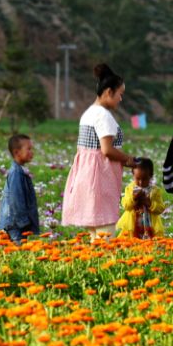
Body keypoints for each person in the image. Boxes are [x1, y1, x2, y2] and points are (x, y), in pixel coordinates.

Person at [61, 63, 138, 236]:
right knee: (106, 232)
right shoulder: (104, 116)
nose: (121, 99)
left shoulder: (89, 113)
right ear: (109, 92)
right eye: (120, 94)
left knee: (94, 234)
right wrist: (129, 159)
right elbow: (107, 150)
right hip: (100, 179)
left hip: (86, 177)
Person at [0, 134, 40, 244]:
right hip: (15, 226)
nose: (32, 152)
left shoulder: (20, 171)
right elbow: (16, 200)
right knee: (16, 250)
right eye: (29, 149)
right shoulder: (16, 173)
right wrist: (24, 223)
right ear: (17, 152)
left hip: (17, 224)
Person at [117, 157, 166, 239]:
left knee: (150, 243)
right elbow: (125, 205)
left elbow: (160, 208)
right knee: (131, 240)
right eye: (137, 179)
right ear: (133, 175)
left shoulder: (155, 191)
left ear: (151, 176)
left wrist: (150, 203)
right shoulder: (130, 188)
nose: (141, 182)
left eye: (144, 179)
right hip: (132, 223)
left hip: (150, 223)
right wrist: (133, 199)